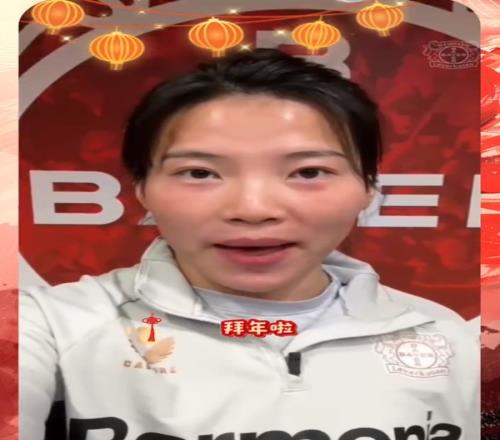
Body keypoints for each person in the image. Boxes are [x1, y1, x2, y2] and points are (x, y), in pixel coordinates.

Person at [20, 48, 479, 440]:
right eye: (199, 173)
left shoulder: (442, 333)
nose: (253, 209)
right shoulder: (52, 325)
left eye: (309, 172)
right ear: (142, 190)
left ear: (368, 189)